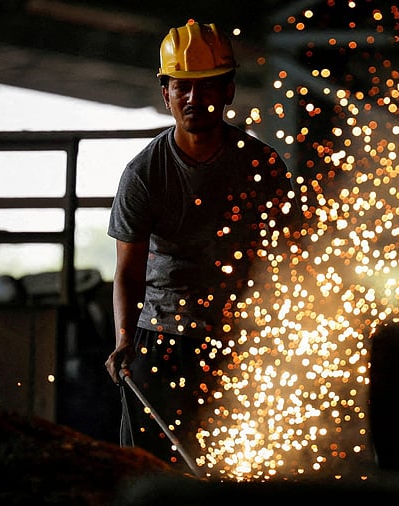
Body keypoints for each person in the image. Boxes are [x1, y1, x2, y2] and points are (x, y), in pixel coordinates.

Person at [103, 20, 299, 470]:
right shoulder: (144, 174)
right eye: (182, 87)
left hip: (241, 343)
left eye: (207, 87)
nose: (195, 99)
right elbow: (129, 272)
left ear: (228, 91)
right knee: (148, 468)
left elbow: (287, 261)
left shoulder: (261, 166)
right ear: (165, 93)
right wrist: (124, 341)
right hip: (162, 341)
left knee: (240, 467)